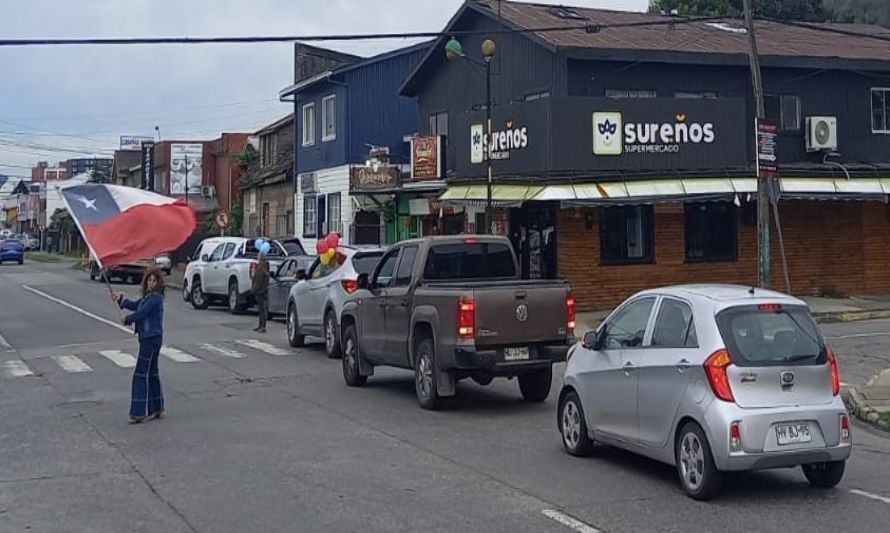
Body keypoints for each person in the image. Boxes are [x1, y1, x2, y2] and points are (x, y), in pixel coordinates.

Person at [112, 268, 166, 425]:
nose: (151, 283)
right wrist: (121, 299)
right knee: (152, 373)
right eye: (149, 280)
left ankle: (138, 412)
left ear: (158, 283)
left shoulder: (154, 299)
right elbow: (137, 305)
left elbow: (142, 313)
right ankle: (157, 408)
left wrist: (127, 319)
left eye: (154, 281)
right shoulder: (149, 298)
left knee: (140, 374)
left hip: (149, 339)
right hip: (154, 338)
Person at [252, 248, 270, 333]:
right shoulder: (265, 266)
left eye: (258, 256)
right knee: (262, 309)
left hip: (260, 291)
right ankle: (261, 325)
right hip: (263, 290)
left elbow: (258, 280)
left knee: (262, 310)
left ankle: (262, 326)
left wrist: (254, 290)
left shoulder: (261, 267)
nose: (257, 257)